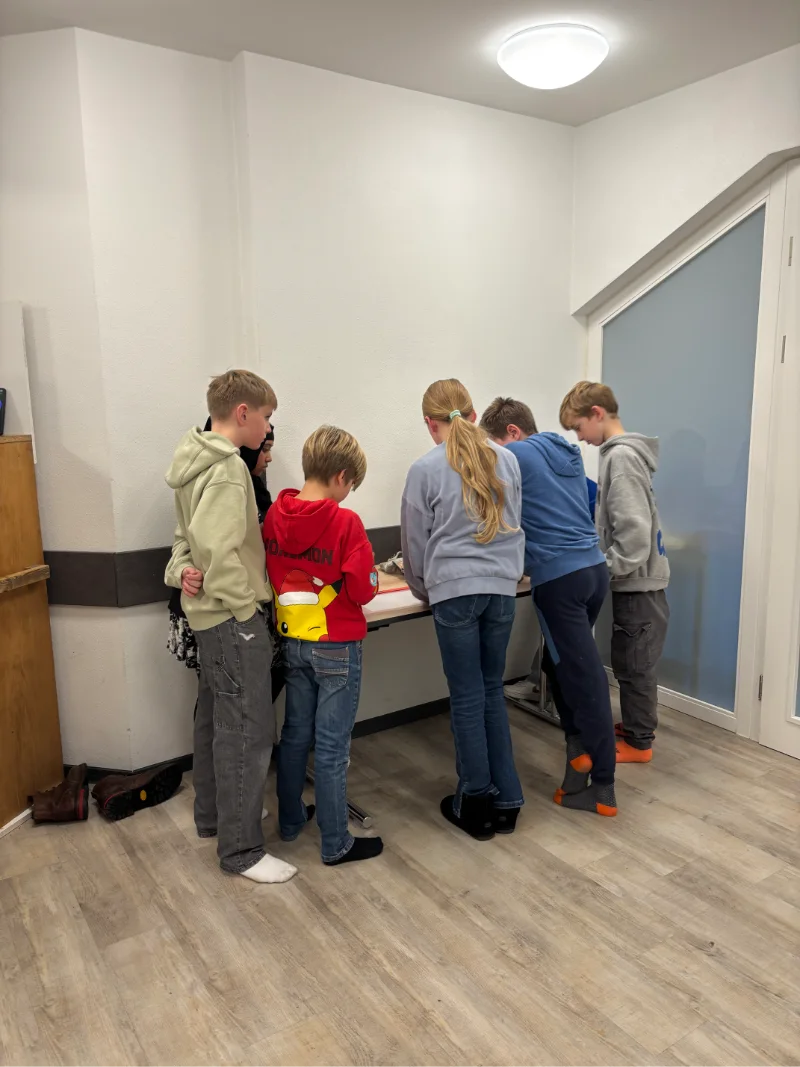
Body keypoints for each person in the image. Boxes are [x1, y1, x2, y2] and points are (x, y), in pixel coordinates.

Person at [164, 370, 296, 884]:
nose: (267, 429)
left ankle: (214, 817)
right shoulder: (227, 469)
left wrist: (180, 571)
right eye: (266, 417)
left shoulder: (191, 459)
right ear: (243, 413)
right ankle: (241, 850)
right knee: (247, 730)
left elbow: (186, 542)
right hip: (231, 618)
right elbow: (220, 555)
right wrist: (247, 612)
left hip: (206, 617)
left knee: (216, 720)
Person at [481, 396, 617, 818]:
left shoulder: (516, 455)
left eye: (496, 445)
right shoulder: (568, 453)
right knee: (561, 667)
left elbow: (500, 518)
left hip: (559, 581)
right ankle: (577, 763)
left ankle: (604, 787)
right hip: (593, 571)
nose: (497, 455)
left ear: (513, 432)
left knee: (583, 677)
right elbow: (576, 504)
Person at [401, 380, 525, 840]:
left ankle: (474, 801)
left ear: (429, 423)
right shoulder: (507, 459)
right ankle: (507, 800)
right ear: (473, 416)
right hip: (502, 589)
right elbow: (517, 522)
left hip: (454, 592)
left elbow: (414, 547)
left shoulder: (425, 468)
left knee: (467, 697)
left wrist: (426, 590)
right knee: (491, 690)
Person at [264, 425, 384, 866]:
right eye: (352, 485)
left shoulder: (274, 515)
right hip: (336, 646)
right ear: (341, 476)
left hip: (293, 641)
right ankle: (336, 842)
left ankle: (290, 820)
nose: (348, 494)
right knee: (333, 746)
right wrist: (372, 575)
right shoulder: (345, 522)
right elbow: (363, 590)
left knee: (295, 735)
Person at [560, 381, 670, 764]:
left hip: (638, 585)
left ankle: (640, 743)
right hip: (637, 584)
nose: (580, 438)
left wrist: (599, 568)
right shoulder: (621, 456)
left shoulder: (620, 458)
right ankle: (637, 726)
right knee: (629, 659)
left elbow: (634, 538)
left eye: (578, 427)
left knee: (635, 665)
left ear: (597, 413)